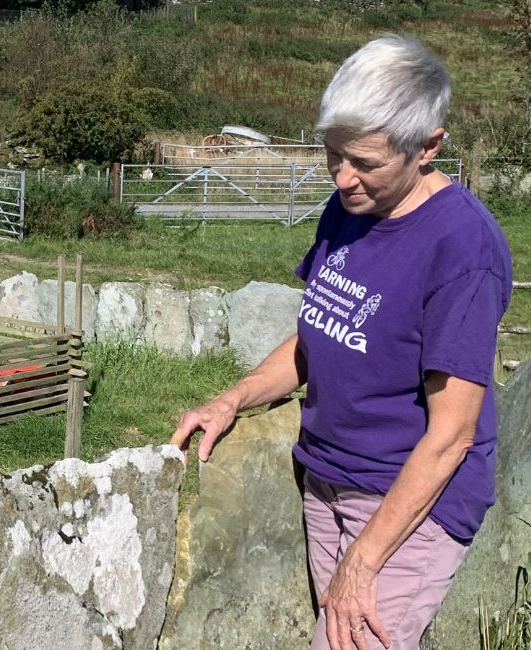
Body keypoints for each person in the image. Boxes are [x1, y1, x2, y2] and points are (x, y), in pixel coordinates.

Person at [169, 34, 512, 650]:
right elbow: (318, 333)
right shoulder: (349, 207)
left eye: (367, 162)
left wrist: (366, 559)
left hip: (406, 503)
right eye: (334, 155)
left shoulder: (463, 250)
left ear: (429, 145)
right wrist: (233, 398)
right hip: (327, 477)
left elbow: (452, 434)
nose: (344, 177)